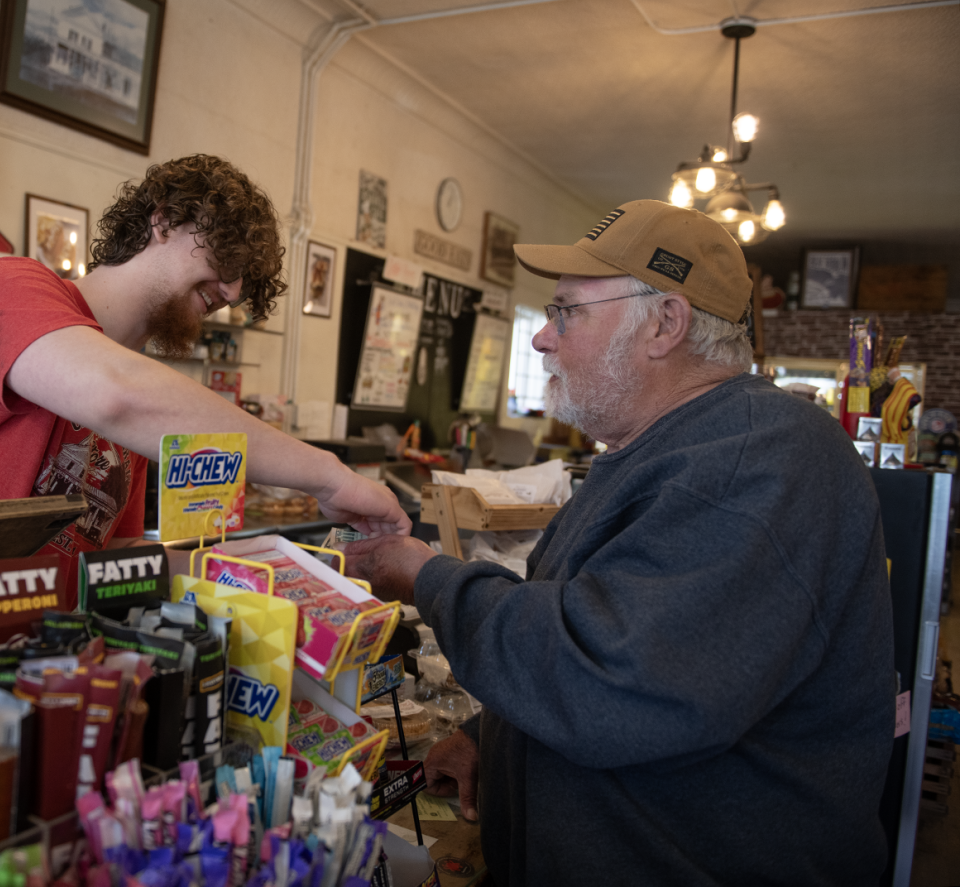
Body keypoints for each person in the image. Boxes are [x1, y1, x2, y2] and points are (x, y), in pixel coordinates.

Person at [346, 200, 894, 885]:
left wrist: (428, 577)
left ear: (665, 323)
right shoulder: (662, 450)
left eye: (564, 311)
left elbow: (617, 684)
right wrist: (491, 737)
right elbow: (609, 620)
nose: (543, 338)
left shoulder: (759, 458)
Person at [0, 154, 408, 706]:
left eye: (249, 279)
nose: (235, 290)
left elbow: (114, 561)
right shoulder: (8, 287)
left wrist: (293, 575)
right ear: (162, 220)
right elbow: (117, 395)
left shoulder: (142, 408)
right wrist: (332, 474)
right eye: (226, 258)